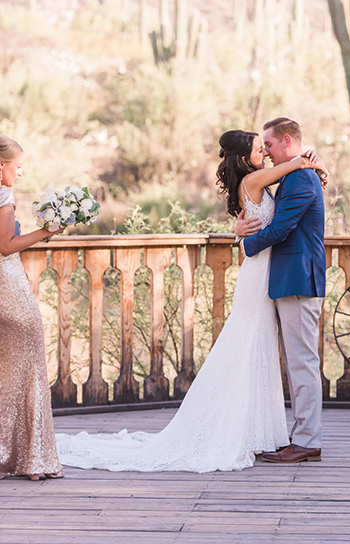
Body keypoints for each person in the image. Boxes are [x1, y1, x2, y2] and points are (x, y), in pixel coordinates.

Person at [55, 130, 328, 473]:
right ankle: (248, 432)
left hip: (269, 275)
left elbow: (289, 192)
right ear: (246, 159)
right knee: (246, 349)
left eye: (268, 146)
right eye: (261, 148)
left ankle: (262, 432)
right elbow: (295, 169)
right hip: (261, 275)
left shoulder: (268, 179)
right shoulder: (260, 177)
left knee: (255, 352)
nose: (267, 153)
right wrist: (312, 165)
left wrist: (312, 174)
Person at [235, 117, 326, 463]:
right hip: (289, 279)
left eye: (269, 145)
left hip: (299, 279)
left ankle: (307, 441)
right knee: (298, 361)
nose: (267, 152)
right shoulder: (297, 173)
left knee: (302, 362)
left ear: (287, 141)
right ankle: (302, 434)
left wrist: (244, 245)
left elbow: (281, 228)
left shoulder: (302, 178)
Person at [0, 135, 64, 480]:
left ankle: (11, 452)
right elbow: (6, 246)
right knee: (29, 364)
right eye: (18, 166)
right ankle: (31, 458)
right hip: (7, 286)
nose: (20, 173)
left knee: (6, 368)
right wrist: (47, 230)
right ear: (1, 165)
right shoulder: (4, 195)